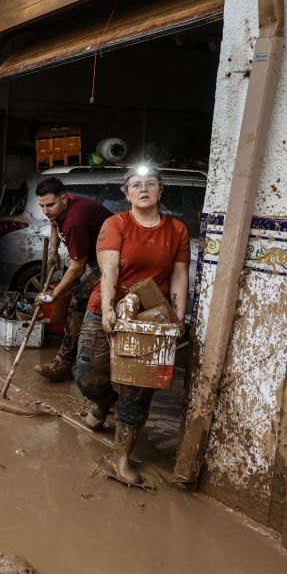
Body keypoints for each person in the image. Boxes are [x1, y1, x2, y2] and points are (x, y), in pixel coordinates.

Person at [74, 166, 189, 485]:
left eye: (150, 184)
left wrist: (178, 318)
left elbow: (179, 275)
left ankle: (121, 456)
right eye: (136, 185)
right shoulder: (116, 224)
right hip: (105, 309)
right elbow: (109, 271)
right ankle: (102, 403)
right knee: (88, 377)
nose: (143, 189)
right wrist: (109, 310)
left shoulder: (177, 230)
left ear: (160, 191)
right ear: (126, 194)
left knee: (138, 391)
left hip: (151, 319)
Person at [32, 178, 113, 381]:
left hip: (114, 262)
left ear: (64, 199)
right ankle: (73, 358)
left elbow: (77, 268)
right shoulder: (59, 209)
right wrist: (53, 251)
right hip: (99, 259)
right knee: (79, 299)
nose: (46, 210)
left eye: (50, 205)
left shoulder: (75, 221)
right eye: (42, 206)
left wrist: (53, 295)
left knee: (78, 300)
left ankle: (64, 363)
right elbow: (53, 223)